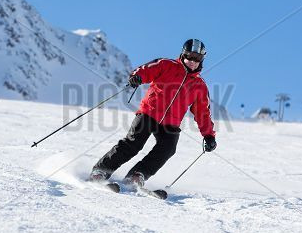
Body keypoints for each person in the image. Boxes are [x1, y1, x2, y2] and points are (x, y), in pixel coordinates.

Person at [89, 39, 217, 187]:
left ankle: (137, 175)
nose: (192, 61)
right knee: (133, 144)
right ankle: (100, 171)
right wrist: (137, 77)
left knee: (168, 149)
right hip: (149, 113)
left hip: (171, 123)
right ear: (183, 54)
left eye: (197, 58)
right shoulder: (166, 65)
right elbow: (146, 70)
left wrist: (208, 135)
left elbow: (203, 113)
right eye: (189, 56)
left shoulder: (199, 85)